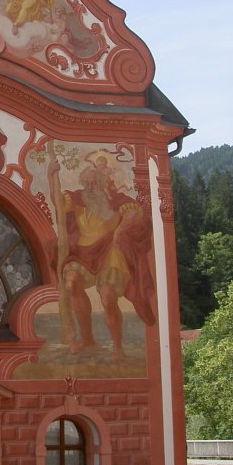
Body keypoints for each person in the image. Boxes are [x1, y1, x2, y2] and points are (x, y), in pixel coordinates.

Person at [47, 153, 155, 357]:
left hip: (108, 253)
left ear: (102, 182)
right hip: (81, 253)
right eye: (86, 182)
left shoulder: (115, 201)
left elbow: (136, 214)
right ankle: (87, 339)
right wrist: (50, 176)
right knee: (71, 283)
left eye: (94, 182)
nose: (90, 186)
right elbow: (58, 203)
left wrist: (119, 231)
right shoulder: (78, 200)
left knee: (107, 297)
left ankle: (117, 347)